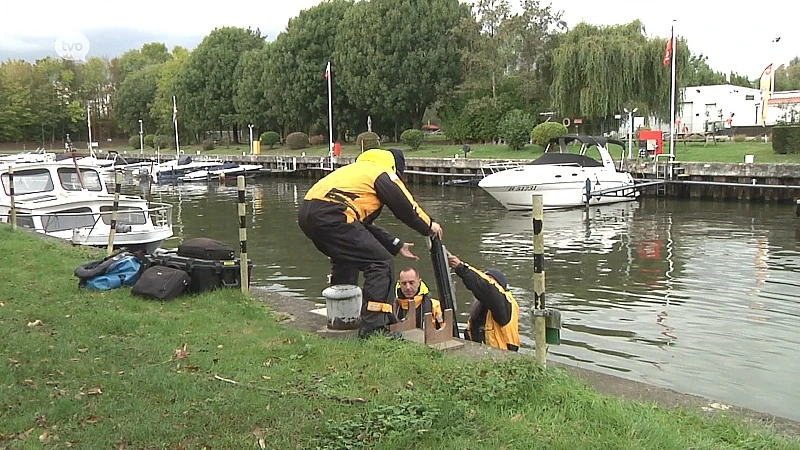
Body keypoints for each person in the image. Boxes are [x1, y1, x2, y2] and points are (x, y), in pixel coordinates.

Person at [298, 148, 443, 337]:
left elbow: (361, 226)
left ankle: (343, 318)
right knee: (381, 263)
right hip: (335, 215)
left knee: (347, 258)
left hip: (309, 213)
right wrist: (429, 225)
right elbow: (406, 207)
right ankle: (374, 328)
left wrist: (396, 244)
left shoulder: (356, 170)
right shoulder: (382, 173)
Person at [447, 254, 520, 351]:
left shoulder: (505, 304)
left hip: (501, 359)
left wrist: (461, 268)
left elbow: (486, 287)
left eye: (490, 281)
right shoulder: (479, 310)